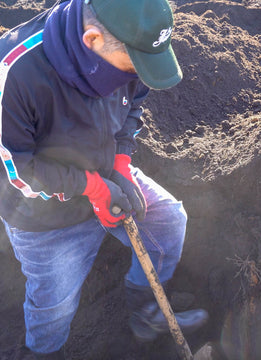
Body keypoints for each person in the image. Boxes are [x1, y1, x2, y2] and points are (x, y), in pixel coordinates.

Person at [0, 0, 209, 358]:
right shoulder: (14, 73)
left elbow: (134, 104)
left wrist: (122, 162)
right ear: (92, 39)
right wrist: (92, 188)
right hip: (43, 215)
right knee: (54, 307)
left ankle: (145, 312)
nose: (136, 77)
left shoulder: (126, 52)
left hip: (107, 171)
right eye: (132, 66)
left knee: (168, 220)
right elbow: (17, 172)